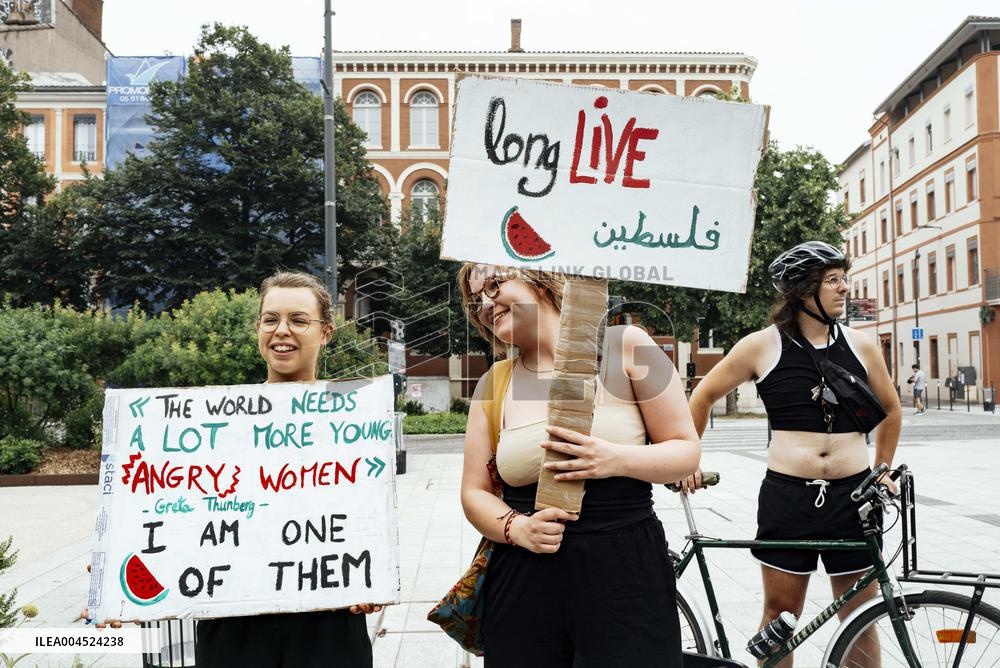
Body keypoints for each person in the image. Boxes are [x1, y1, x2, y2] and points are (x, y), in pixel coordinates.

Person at [83, 271, 383, 668]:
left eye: (298, 319)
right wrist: (118, 562)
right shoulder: (211, 426)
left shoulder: (356, 424)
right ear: (258, 327)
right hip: (231, 626)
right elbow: (170, 507)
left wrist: (373, 573)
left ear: (325, 332)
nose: (282, 331)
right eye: (271, 319)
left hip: (328, 626)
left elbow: (366, 522)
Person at [457, 264, 701, 667]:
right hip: (524, 579)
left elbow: (685, 451)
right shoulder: (494, 383)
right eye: (475, 299)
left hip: (626, 573)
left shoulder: (627, 345)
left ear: (539, 277)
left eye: (495, 285)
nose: (485, 304)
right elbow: (473, 492)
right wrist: (518, 528)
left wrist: (614, 459)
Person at [682, 241, 901, 667]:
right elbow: (703, 395)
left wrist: (883, 471)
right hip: (788, 496)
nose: (844, 288)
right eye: (832, 281)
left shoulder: (862, 345)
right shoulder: (761, 346)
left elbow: (890, 411)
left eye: (844, 279)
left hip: (854, 497)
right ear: (804, 291)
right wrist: (688, 459)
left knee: (858, 614)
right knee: (779, 616)